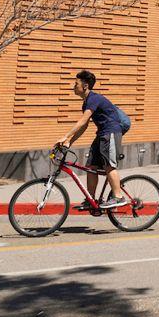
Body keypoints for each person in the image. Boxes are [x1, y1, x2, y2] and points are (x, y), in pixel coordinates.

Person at [56, 69, 127, 211]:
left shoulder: (94, 98)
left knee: (109, 165)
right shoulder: (87, 102)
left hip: (111, 132)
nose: (73, 86)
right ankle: (91, 199)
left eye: (76, 84)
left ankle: (118, 196)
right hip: (101, 134)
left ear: (85, 86)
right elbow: (85, 125)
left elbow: (82, 121)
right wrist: (70, 142)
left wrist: (66, 136)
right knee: (91, 167)